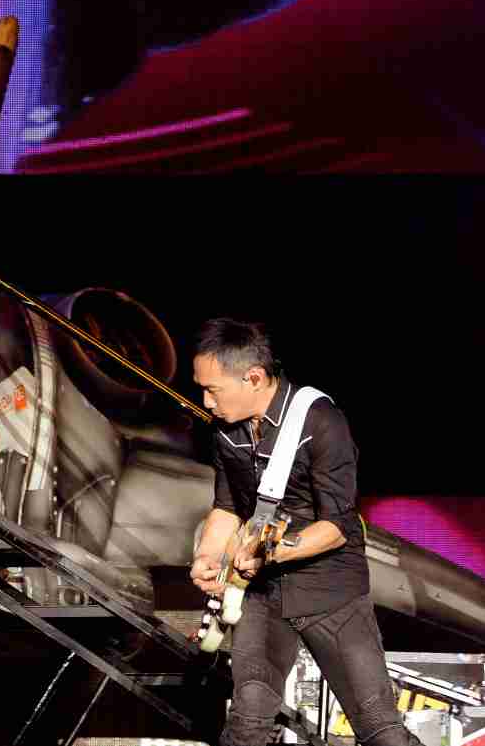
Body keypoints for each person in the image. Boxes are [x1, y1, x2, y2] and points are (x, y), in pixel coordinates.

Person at [189, 318, 419, 746]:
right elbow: (228, 506)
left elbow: (336, 527)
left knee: (380, 729)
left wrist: (271, 553)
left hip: (330, 594)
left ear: (254, 377)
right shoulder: (225, 430)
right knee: (246, 724)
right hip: (263, 594)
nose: (206, 401)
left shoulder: (321, 421)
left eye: (213, 390)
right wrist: (207, 556)